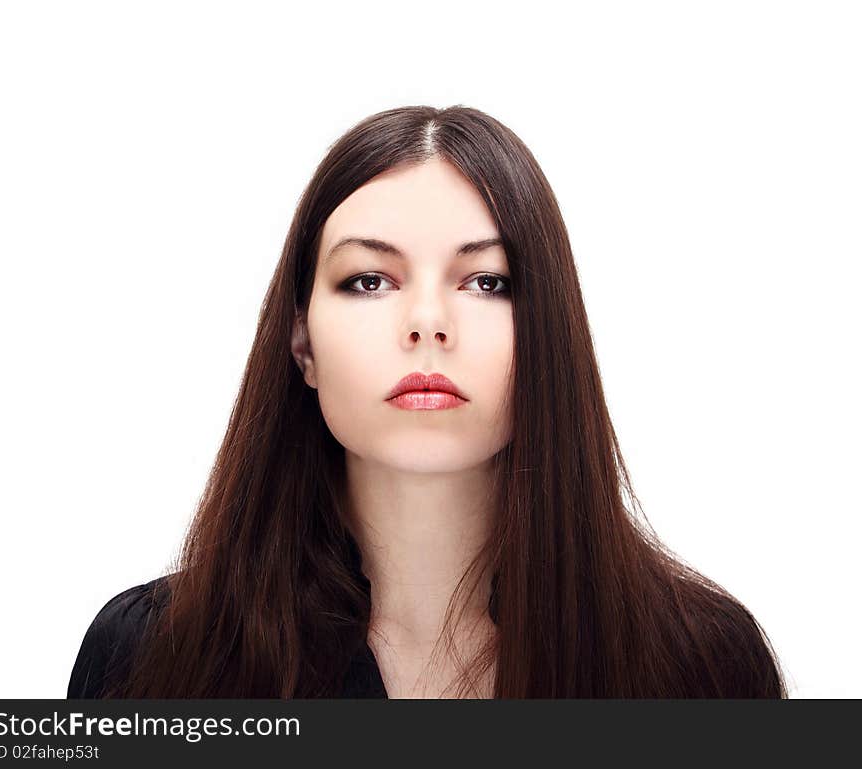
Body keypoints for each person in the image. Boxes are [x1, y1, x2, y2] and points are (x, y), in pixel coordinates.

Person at [67, 104, 788, 698]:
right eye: (369, 280)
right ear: (302, 345)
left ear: (549, 334)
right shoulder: (151, 659)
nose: (427, 320)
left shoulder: (704, 669)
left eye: (487, 281)